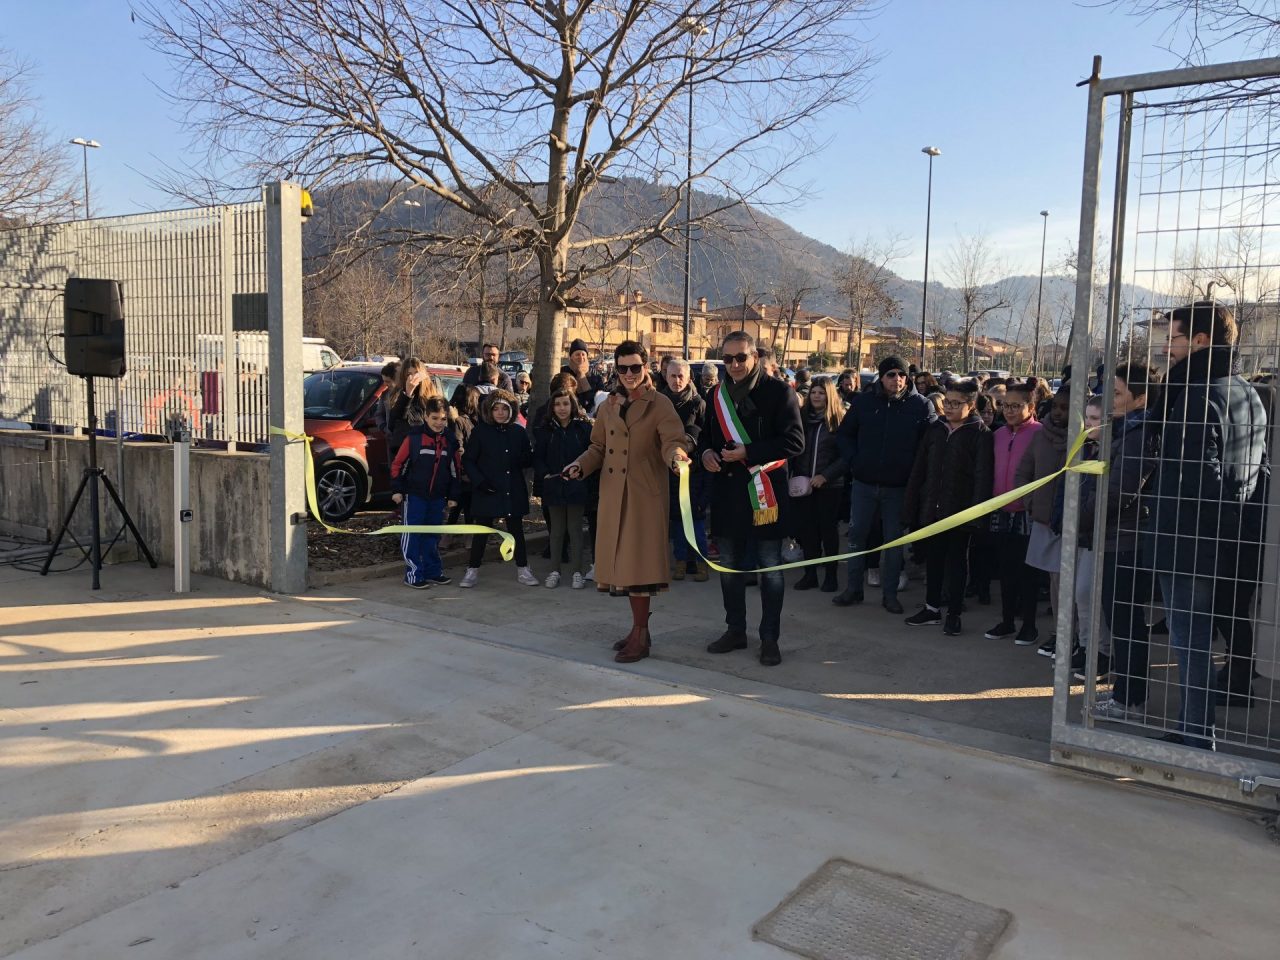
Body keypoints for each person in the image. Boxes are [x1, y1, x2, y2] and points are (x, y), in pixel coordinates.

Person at [1141, 301, 1267, 748]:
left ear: (1199, 341)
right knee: (1201, 636)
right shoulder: (1249, 393)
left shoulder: (1196, 394)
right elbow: (1258, 470)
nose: (1166, 349)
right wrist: (1237, 527)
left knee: (1190, 640)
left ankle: (1195, 732)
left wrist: (1216, 523)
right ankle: (1196, 727)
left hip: (1189, 540)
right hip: (1231, 539)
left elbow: (1198, 474)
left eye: (1172, 339)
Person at [565, 340, 692, 663]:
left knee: (640, 568)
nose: (629, 374)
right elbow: (597, 447)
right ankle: (638, 630)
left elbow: (672, 440)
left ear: (646, 367)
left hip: (643, 495)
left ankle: (641, 634)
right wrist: (580, 465)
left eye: (635, 367)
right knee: (623, 566)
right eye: (623, 368)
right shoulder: (608, 405)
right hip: (612, 493)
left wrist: (677, 457)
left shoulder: (660, 403)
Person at [698, 331, 805, 666]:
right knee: (728, 567)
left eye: (740, 357)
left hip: (765, 495)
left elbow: (795, 442)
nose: (734, 365)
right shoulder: (716, 395)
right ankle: (735, 630)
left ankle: (769, 638)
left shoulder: (779, 392)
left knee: (770, 570)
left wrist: (750, 451)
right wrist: (706, 455)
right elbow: (705, 439)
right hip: (729, 494)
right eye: (727, 359)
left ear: (754, 357)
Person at [832, 355, 937, 612]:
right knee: (857, 536)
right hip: (864, 484)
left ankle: (890, 595)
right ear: (881, 377)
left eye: (902, 375)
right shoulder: (864, 402)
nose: (897, 380)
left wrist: (916, 475)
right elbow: (844, 435)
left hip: (898, 488)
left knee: (893, 542)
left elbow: (930, 446)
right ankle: (854, 589)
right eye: (891, 374)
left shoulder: (921, 406)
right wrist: (855, 461)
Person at [1088, 365, 1156, 720]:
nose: (1109, 399)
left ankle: (1130, 700)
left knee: (1126, 622)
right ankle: (1126, 694)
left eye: (1116, 394)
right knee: (1121, 620)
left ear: (1140, 398)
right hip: (1117, 535)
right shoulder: (1124, 431)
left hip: (1128, 540)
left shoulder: (1139, 433)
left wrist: (1084, 514)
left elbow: (1120, 491)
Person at [902, 378, 993, 635]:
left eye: (956, 403)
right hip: (933, 509)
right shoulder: (935, 430)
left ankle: (954, 612)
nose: (949, 408)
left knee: (956, 562)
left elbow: (982, 478)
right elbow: (919, 469)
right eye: (947, 402)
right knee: (934, 559)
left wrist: (976, 516)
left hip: (961, 512)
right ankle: (932, 608)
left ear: (971, 404)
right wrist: (911, 505)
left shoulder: (980, 434)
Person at [460, 391, 538, 589]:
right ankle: (472, 569)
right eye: (496, 408)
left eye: (505, 408)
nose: (501, 413)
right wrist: (479, 481)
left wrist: (526, 458)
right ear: (489, 410)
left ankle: (523, 567)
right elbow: (468, 460)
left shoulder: (518, 432)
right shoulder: (480, 432)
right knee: (482, 531)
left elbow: (527, 457)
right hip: (487, 488)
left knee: (516, 531)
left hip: (512, 488)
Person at [985, 383, 1043, 644]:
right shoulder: (997, 434)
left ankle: (1029, 625)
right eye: (1005, 405)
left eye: (1015, 406)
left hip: (1027, 513)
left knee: (1028, 572)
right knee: (1005, 571)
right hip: (1001, 510)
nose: (1008, 411)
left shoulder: (1040, 434)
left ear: (1031, 407)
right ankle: (1007, 621)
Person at [1018, 386, 1071, 654]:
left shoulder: (1087, 439)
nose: (1059, 413)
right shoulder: (1040, 437)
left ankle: (1075, 637)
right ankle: (1059, 633)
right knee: (1055, 581)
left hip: (1074, 524)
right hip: (1045, 521)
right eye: (1056, 407)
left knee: (1074, 585)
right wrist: (1032, 503)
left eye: (1066, 408)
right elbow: (1023, 473)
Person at [391, 397, 460, 588]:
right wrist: (397, 490)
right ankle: (413, 574)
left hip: (437, 498)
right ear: (426, 417)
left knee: (432, 535)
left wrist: (453, 496)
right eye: (434, 418)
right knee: (412, 535)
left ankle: (433, 571)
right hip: (414, 496)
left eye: (443, 419)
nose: (439, 423)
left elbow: (455, 470)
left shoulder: (450, 441)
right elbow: (398, 465)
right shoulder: (413, 438)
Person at [790, 377, 847, 593]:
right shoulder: (802, 420)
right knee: (808, 531)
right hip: (804, 485)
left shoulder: (839, 421)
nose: (816, 396)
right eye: (813, 392)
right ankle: (810, 574)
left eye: (821, 393)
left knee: (828, 531)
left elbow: (846, 457)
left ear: (829, 395)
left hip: (830, 486)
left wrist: (826, 476)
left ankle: (831, 576)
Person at [533, 387, 593, 589]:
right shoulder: (545, 430)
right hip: (553, 487)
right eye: (557, 404)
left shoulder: (583, 429)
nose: (562, 408)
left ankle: (577, 571)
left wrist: (580, 472)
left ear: (573, 405)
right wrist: (545, 474)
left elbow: (591, 455)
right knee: (556, 531)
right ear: (552, 407)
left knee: (575, 530)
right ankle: (554, 571)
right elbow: (538, 457)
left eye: (566, 403)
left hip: (576, 486)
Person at [663, 358, 710, 581]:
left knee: (697, 522)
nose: (677, 380)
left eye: (681, 375)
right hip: (668, 470)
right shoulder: (660, 402)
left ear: (689, 377)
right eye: (673, 375)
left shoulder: (699, 403)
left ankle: (701, 562)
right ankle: (680, 562)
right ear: (666, 376)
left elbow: (705, 434)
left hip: (695, 470)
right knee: (677, 523)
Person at [386, 357, 441, 459]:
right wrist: (407, 394)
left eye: (416, 373)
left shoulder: (430, 396)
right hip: (405, 453)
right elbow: (393, 423)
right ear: (404, 376)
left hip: (427, 452)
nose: (413, 377)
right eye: (409, 374)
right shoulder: (397, 394)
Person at [446, 383, 480, 530]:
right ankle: (463, 535)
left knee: (460, 504)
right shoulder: (462, 421)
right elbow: (458, 447)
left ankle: (451, 536)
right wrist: (465, 471)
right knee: (464, 503)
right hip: (464, 470)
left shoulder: (459, 419)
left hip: (462, 469)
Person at [562, 338, 606, 414]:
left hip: (590, 415)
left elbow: (600, 398)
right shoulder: (564, 372)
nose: (581, 357)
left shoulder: (595, 375)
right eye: (577, 354)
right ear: (571, 357)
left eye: (583, 354)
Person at [374, 360, 400, 432]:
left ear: (397, 379)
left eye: (388, 381)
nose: (385, 384)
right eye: (384, 381)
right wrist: (384, 427)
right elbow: (378, 414)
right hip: (391, 440)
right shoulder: (385, 394)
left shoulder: (408, 395)